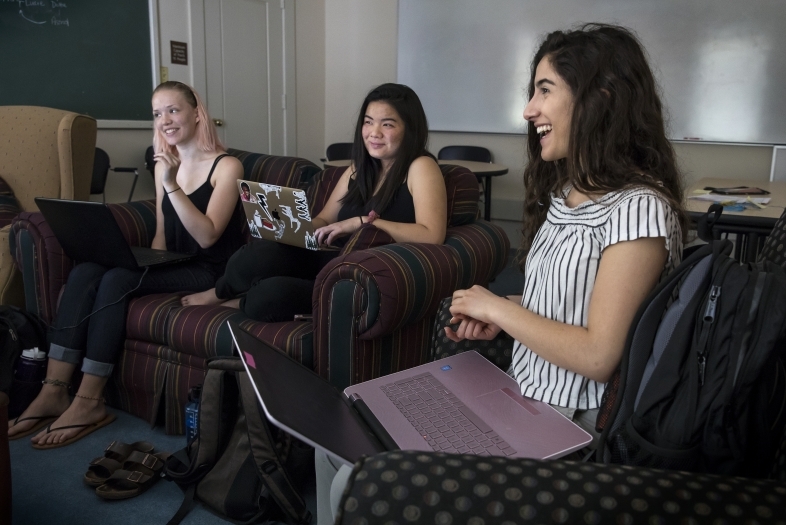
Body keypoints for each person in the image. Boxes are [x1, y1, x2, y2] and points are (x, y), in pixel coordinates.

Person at [447, 23, 685, 443]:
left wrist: (500, 310)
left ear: (599, 100)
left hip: (572, 423)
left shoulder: (639, 208)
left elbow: (598, 355)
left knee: (361, 476)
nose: (528, 110)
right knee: (358, 447)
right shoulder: (568, 192)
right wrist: (501, 314)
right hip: (523, 395)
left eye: (545, 90)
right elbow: (573, 302)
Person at [8, 81, 245, 447]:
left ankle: (89, 401)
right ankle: (54, 389)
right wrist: (147, 262)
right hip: (175, 262)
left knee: (118, 280)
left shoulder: (227, 166)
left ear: (197, 113)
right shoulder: (165, 164)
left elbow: (208, 236)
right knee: (87, 271)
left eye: (173, 110)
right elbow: (163, 235)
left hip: (209, 270)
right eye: (157, 113)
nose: (165, 120)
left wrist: (171, 184)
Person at [181, 83, 448, 323]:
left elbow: (432, 234)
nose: (374, 132)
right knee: (257, 253)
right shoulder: (358, 168)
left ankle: (242, 302)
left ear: (409, 128)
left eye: (387, 124)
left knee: (270, 295)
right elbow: (325, 219)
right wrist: (290, 224)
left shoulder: (420, 166)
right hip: (327, 256)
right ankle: (219, 293)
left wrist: (362, 223)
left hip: (357, 275)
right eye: (368, 122)